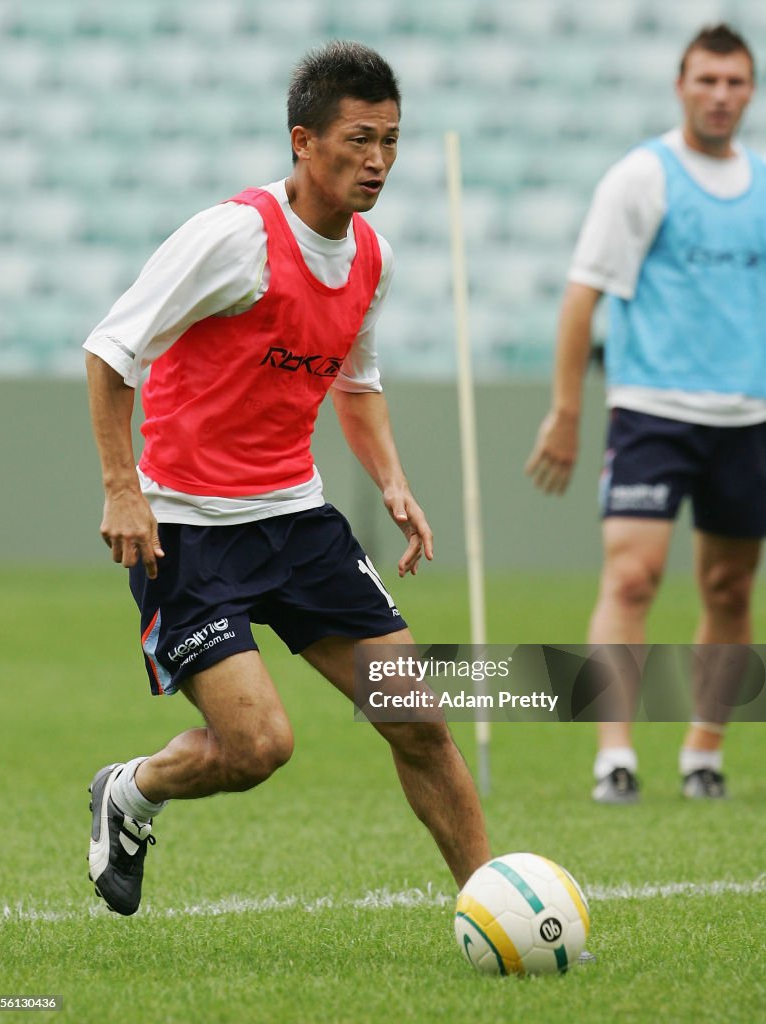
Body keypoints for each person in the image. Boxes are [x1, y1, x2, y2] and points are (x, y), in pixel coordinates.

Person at [84, 41, 490, 915]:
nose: (377, 161)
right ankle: (131, 790)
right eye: (357, 139)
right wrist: (123, 486)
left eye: (390, 140)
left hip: (299, 525)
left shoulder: (369, 257)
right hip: (186, 533)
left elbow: (355, 378)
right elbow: (111, 351)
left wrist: (391, 481)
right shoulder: (233, 238)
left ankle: (492, 904)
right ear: (303, 141)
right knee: (258, 746)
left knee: (417, 716)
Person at [526, 24, 765, 803]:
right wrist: (566, 412)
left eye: (734, 82)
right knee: (631, 578)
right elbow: (580, 295)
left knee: (730, 588)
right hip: (651, 412)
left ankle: (702, 752)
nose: (720, 96)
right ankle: (614, 757)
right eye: (706, 81)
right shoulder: (641, 177)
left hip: (746, 418)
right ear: (680, 85)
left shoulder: (761, 184)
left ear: (749, 90)